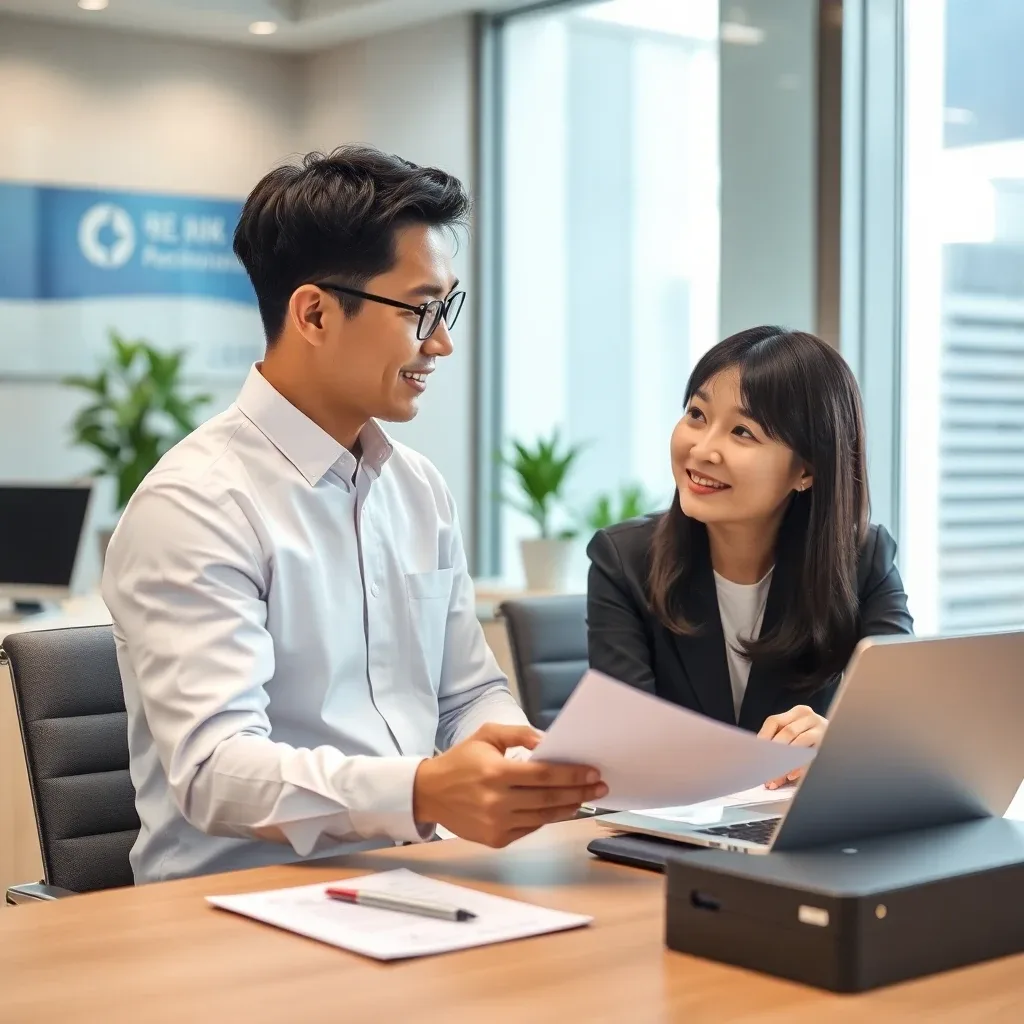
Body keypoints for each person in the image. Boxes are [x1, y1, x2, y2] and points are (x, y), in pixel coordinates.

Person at [103, 147, 605, 883]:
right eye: (420, 310)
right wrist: (423, 790)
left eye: (446, 307)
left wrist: (508, 758)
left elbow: (467, 692)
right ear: (313, 312)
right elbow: (215, 771)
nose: (441, 342)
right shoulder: (197, 503)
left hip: (418, 881)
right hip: (235, 909)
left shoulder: (418, 488)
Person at [586, 326, 913, 787]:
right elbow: (626, 743)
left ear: (806, 470)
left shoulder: (862, 559)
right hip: (669, 831)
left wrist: (842, 741)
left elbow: (907, 721)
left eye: (742, 431)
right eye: (697, 415)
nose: (701, 449)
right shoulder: (623, 560)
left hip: (801, 838)